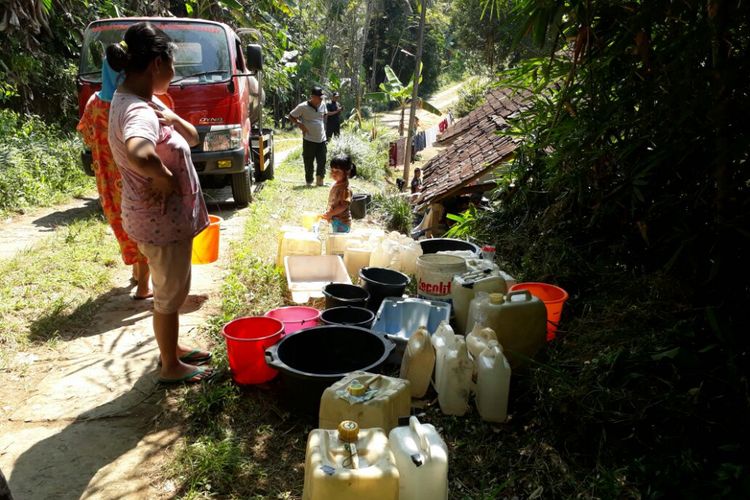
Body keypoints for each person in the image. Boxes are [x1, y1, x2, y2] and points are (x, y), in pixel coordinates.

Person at [106, 22, 213, 384]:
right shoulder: (136, 111)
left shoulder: (136, 99)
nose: (174, 72)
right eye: (171, 64)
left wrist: (171, 117)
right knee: (168, 297)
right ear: (156, 64)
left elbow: (193, 138)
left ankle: (173, 349)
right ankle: (170, 366)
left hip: (155, 220)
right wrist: (164, 177)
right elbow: (140, 151)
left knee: (171, 290)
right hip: (160, 223)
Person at [77, 59, 152, 300]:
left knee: (123, 223)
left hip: (107, 178)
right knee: (143, 224)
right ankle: (143, 285)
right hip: (133, 175)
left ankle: (136, 272)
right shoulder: (131, 102)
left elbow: (87, 137)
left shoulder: (94, 103)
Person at [288, 86, 327, 187]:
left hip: (322, 139)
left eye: (322, 97)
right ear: (313, 97)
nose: (322, 99)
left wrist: (321, 128)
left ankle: (320, 180)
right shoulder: (303, 106)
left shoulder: (323, 104)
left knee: (322, 160)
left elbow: (324, 115)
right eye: (320, 97)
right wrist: (300, 124)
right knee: (309, 161)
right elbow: (291, 116)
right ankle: (309, 181)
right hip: (309, 139)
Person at [320, 155, 356, 233]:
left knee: (334, 241)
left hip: (342, 223)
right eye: (332, 170)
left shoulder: (345, 189)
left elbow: (343, 206)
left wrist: (331, 213)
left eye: (337, 171)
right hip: (335, 220)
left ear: (346, 172)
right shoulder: (337, 184)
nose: (333, 173)